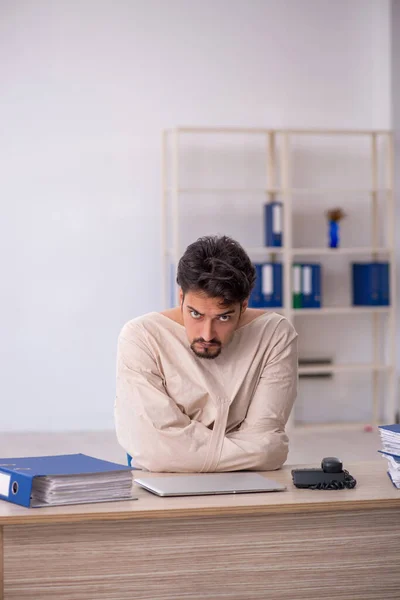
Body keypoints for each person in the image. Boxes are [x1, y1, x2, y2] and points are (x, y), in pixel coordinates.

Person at [115, 235, 298, 472]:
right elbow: (154, 451)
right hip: (163, 480)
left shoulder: (274, 335)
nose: (207, 334)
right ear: (181, 298)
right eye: (195, 314)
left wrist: (182, 451)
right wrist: (249, 453)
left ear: (243, 306)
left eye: (223, 317)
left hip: (237, 484)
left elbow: (267, 450)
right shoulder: (141, 336)